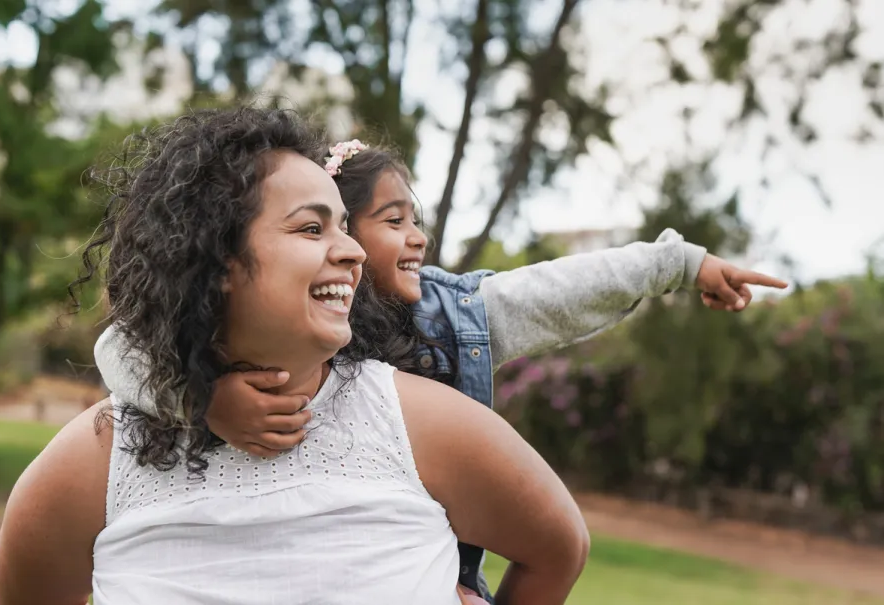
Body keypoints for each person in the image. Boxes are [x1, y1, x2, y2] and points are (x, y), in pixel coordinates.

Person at [94, 139, 788, 601]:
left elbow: (562, 288)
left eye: (415, 219)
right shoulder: (243, 334)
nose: (416, 237)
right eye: (391, 219)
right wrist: (202, 397)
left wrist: (678, 262)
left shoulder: (451, 314)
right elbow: (122, 347)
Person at [0, 107, 588, 605]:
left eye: (344, 228)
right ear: (216, 260)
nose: (354, 252)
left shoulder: (420, 423)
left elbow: (558, 547)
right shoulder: (97, 460)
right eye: (312, 229)